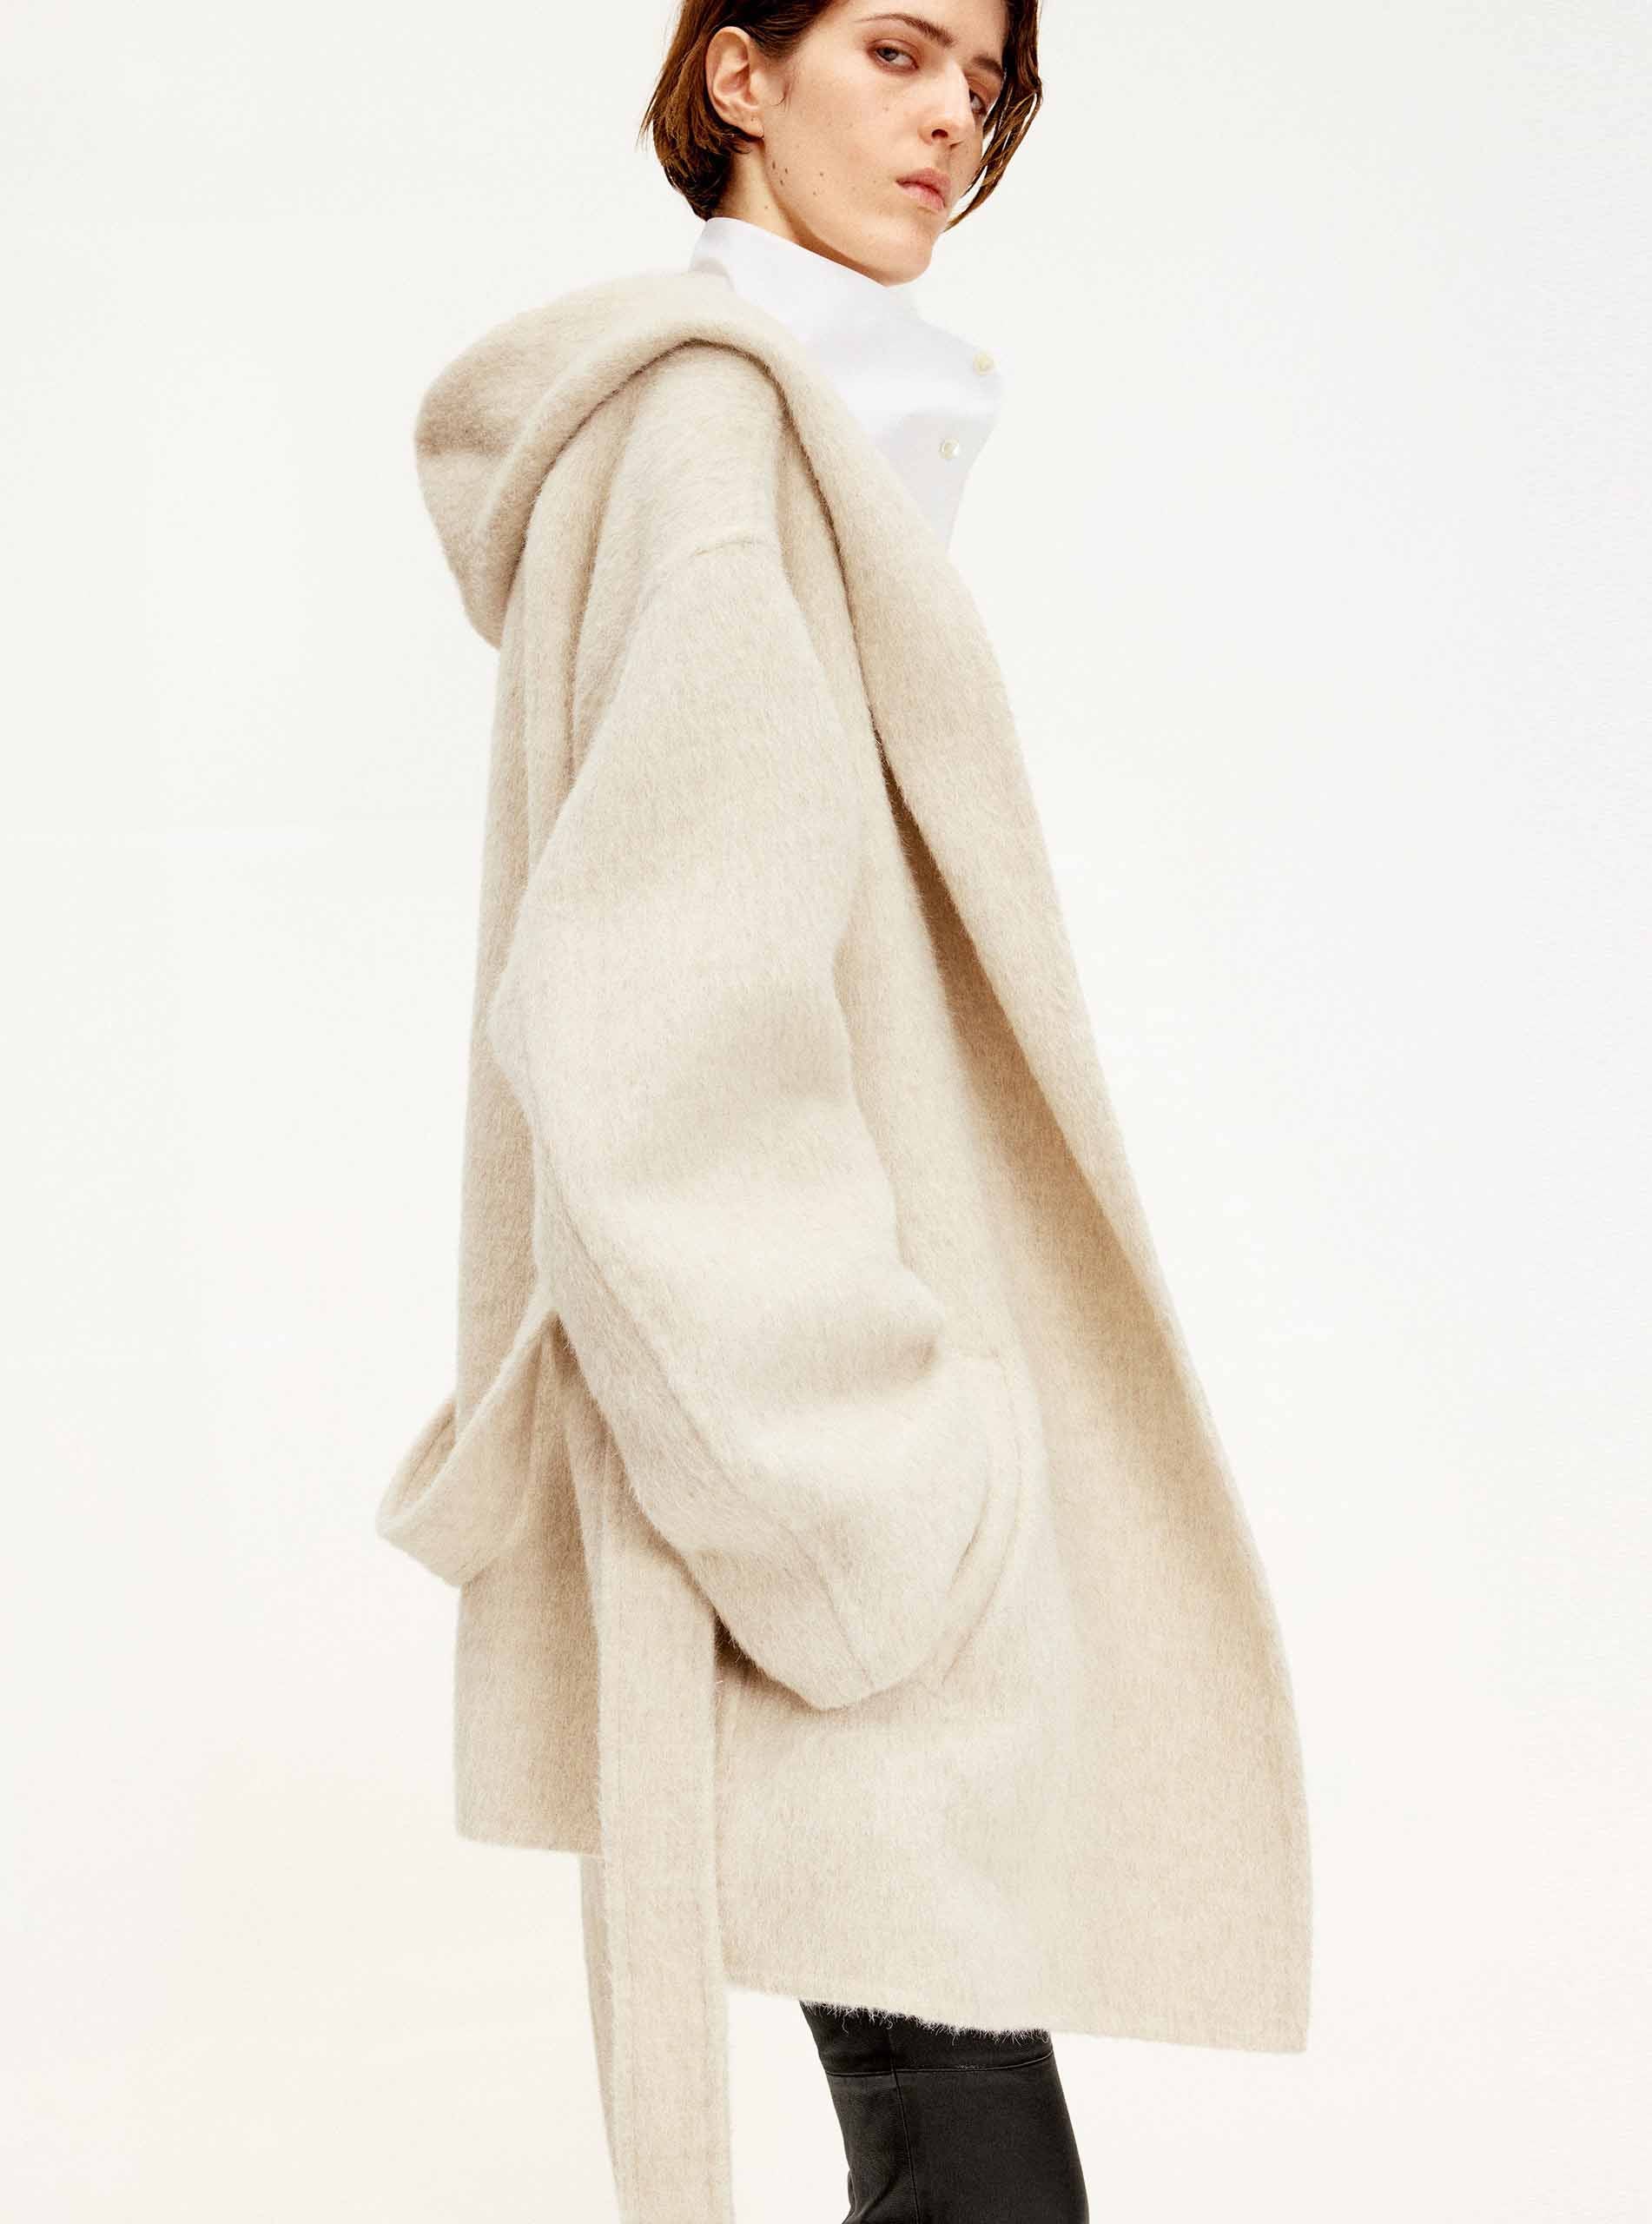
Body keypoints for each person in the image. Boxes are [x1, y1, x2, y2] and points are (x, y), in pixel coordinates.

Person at [374, 3, 1312, 2220]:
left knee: (955, 2132)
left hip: (813, 1489)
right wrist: (866, 1483)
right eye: (894, 51)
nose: (949, 120)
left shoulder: (794, 441)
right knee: (976, 2155)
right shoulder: (725, 444)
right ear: (738, 76)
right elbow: (643, 1023)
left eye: (982, 85)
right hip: (817, 1503)